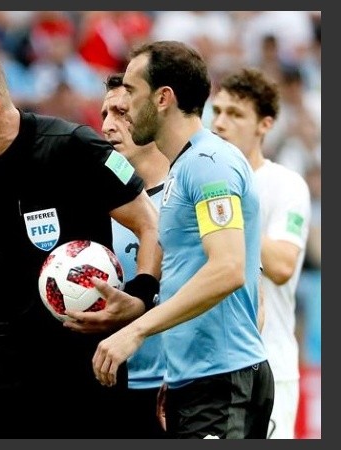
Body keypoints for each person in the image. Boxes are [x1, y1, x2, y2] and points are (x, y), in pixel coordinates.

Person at [0, 45, 161, 439]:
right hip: (7, 379)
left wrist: (140, 294)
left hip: (89, 373)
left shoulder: (72, 147)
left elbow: (150, 224)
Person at [90, 40, 274, 439]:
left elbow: (228, 269)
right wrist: (174, 373)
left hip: (222, 379)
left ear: (162, 98)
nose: (124, 106)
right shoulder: (184, 166)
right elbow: (187, 272)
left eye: (131, 93)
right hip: (195, 379)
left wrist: (136, 330)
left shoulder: (209, 163)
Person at [210, 67, 311, 439]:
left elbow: (282, 265)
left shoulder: (285, 184)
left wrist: (231, 211)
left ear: (265, 124)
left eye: (235, 114)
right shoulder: (199, 180)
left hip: (270, 366)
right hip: (208, 369)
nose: (220, 123)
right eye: (217, 111)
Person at [97, 72, 169, 438]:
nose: (108, 126)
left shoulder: (189, 191)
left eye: (121, 113)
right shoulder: (95, 206)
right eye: (104, 114)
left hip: (177, 385)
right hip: (111, 386)